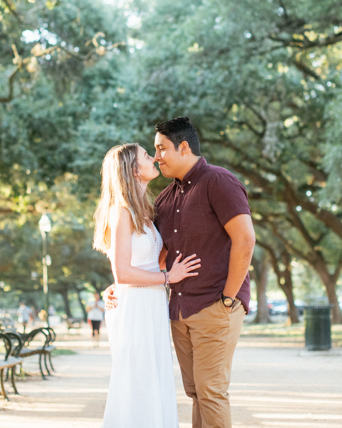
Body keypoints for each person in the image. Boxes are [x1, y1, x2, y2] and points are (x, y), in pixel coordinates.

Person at [107, 116, 255, 428]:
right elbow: (149, 254)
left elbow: (245, 239)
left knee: (211, 391)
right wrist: (117, 284)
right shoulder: (164, 198)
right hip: (178, 310)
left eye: (160, 149)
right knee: (196, 392)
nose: (156, 156)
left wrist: (229, 299)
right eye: (152, 152)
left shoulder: (219, 181)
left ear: (183, 147)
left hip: (215, 304)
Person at [93, 143, 201, 428]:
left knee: (155, 377)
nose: (153, 158)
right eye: (146, 155)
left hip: (151, 303)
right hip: (136, 307)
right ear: (133, 170)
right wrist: (169, 277)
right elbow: (123, 272)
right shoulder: (122, 212)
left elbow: (146, 261)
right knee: (136, 380)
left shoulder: (145, 211)